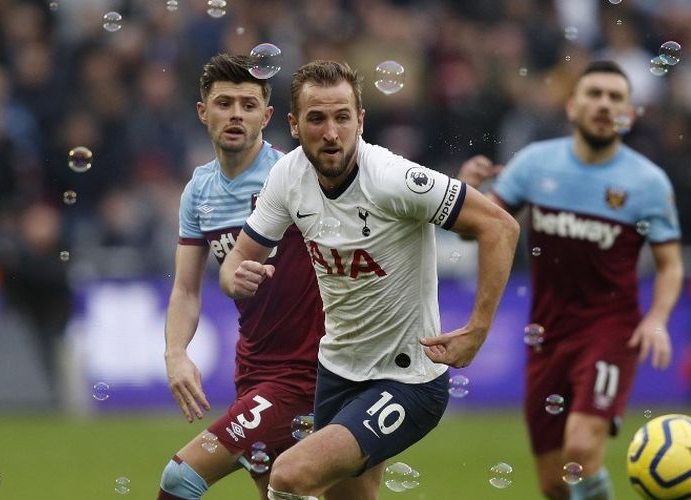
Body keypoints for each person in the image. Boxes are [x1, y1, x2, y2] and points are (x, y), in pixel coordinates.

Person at [219, 60, 520, 500]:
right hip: (338, 370)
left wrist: (478, 329)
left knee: (287, 476)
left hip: (409, 378)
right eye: (316, 118)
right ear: (294, 125)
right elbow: (237, 260)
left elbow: (500, 227)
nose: (331, 132)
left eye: (342, 117)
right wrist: (234, 277)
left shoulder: (392, 179)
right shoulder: (287, 177)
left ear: (360, 120)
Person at [459, 60, 683, 500]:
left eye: (616, 97)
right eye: (594, 94)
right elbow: (476, 231)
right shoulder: (535, 164)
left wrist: (656, 318)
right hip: (547, 334)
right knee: (555, 484)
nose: (604, 104)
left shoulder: (648, 183)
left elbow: (671, 263)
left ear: (630, 114)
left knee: (580, 448)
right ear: (572, 106)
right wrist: (467, 193)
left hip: (609, 330)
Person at [157, 54, 325, 500]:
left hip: (308, 369)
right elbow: (186, 289)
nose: (235, 114)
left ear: (267, 117)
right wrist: (176, 352)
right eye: (224, 103)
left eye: (248, 105)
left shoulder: (294, 176)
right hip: (254, 367)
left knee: (180, 478)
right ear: (202, 112)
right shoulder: (198, 190)